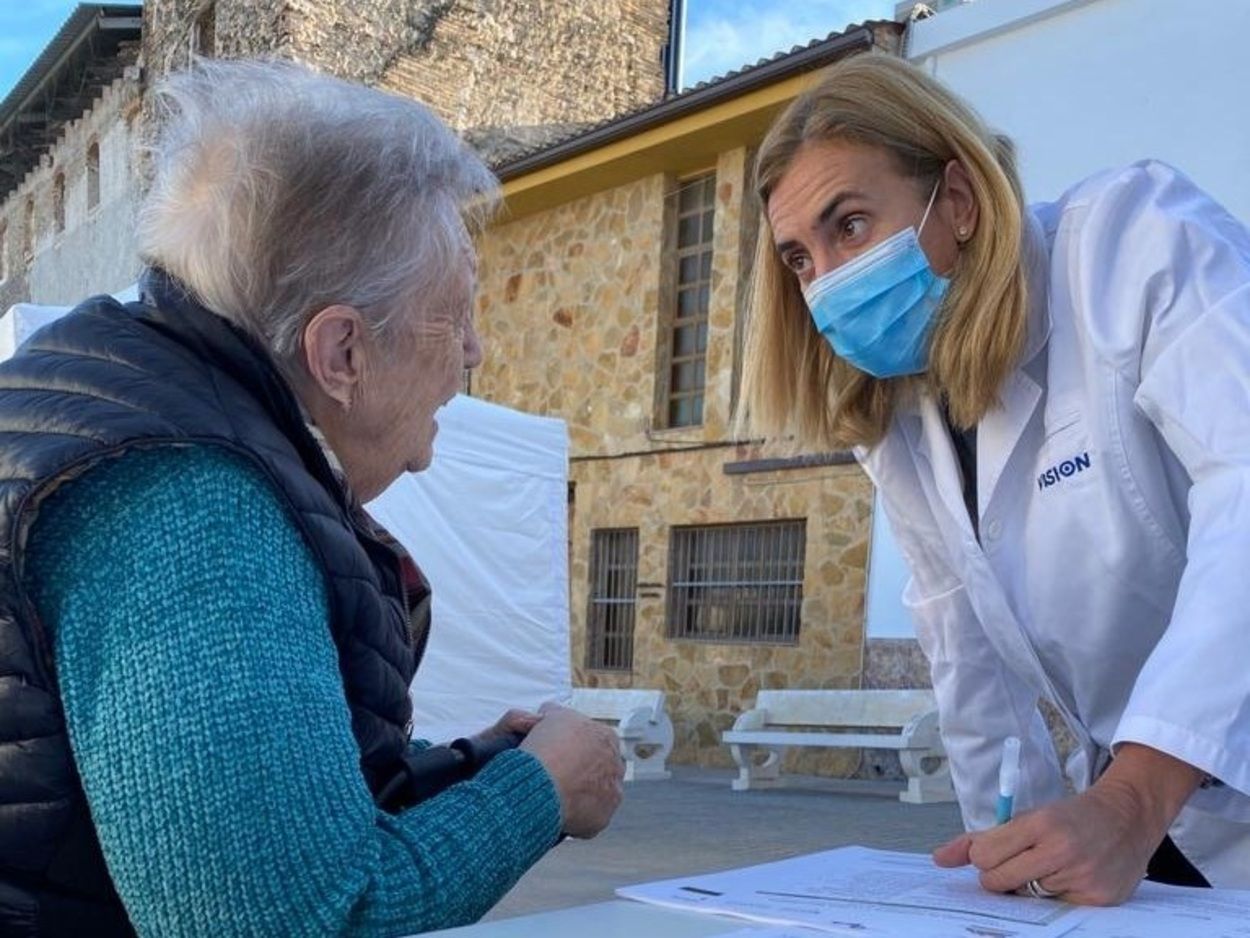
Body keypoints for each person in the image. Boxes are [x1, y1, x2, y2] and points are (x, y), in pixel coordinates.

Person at [0, 59, 624, 937]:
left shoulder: (121, 406)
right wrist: (540, 792)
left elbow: (233, 804)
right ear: (341, 354)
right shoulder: (189, 509)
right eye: (456, 315)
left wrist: (468, 769)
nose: (475, 352)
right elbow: (282, 920)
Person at [739, 52, 1250, 903]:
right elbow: (961, 644)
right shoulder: (902, 416)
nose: (827, 281)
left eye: (851, 224)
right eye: (799, 257)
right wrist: (1014, 865)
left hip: (1161, 793)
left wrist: (1131, 797)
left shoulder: (1133, 245)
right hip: (1160, 828)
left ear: (961, 201)